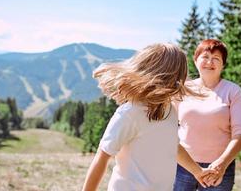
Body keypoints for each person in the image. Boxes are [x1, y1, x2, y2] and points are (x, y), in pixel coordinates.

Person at [81, 43, 217, 191]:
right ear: (165, 77)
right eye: (178, 77)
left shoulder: (169, 111)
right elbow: (102, 157)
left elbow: (174, 147)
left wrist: (198, 171)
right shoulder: (130, 113)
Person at [173, 39, 241, 191]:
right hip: (182, 166)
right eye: (205, 57)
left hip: (219, 168)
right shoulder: (182, 89)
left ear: (223, 64)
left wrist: (221, 164)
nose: (210, 62)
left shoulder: (233, 91)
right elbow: (166, 128)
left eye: (216, 58)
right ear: (195, 60)